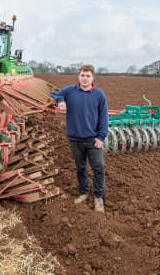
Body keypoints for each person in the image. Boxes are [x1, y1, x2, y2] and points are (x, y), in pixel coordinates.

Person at [50, 64, 108, 212]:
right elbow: (54, 94)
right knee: (80, 168)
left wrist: (101, 137)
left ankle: (98, 197)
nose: (85, 78)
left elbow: (104, 118)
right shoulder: (70, 91)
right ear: (79, 76)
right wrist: (61, 101)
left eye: (88, 76)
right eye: (82, 75)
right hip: (75, 139)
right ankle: (83, 193)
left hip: (93, 139)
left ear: (92, 78)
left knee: (98, 168)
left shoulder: (99, 95)